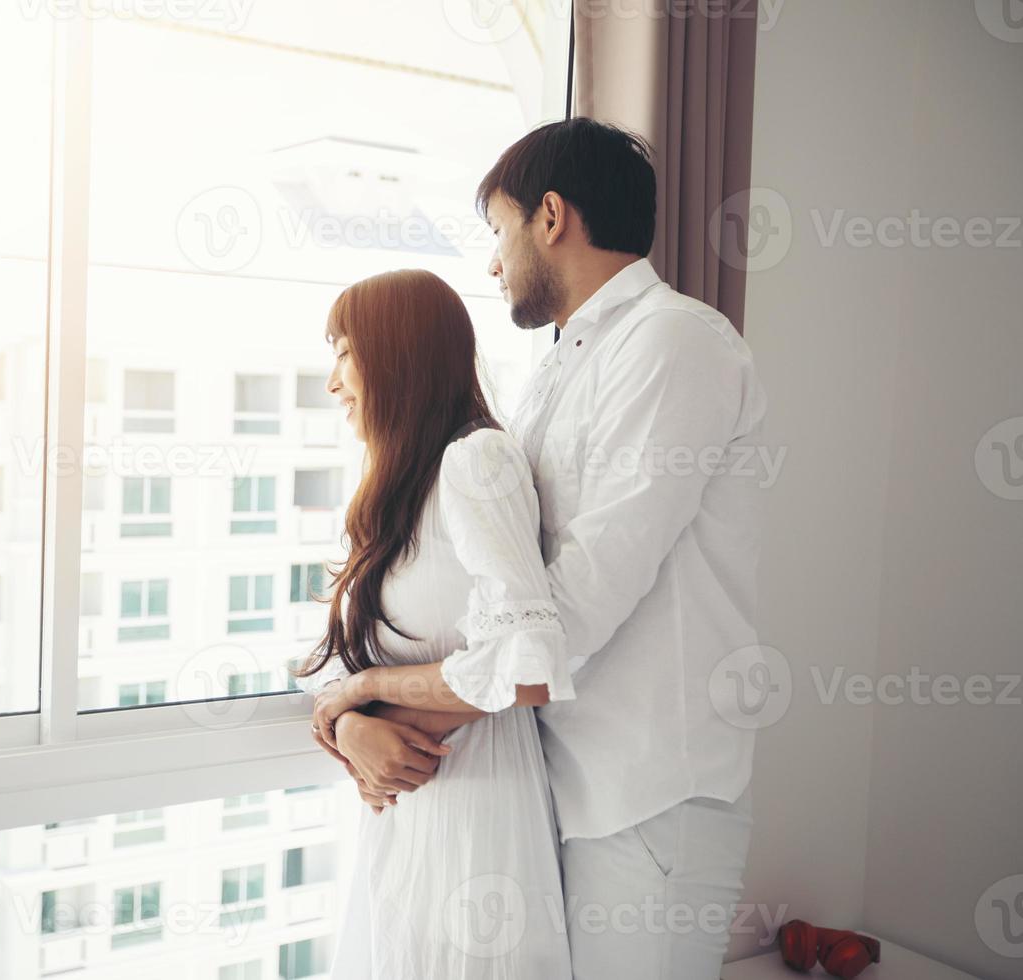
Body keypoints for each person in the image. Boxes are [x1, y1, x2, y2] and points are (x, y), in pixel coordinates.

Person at [313, 117, 769, 979]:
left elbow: (578, 599)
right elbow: (493, 609)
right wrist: (358, 716)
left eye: (498, 230)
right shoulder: (558, 374)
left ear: (550, 216)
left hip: (646, 791)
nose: (491, 263)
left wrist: (372, 702)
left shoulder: (675, 342)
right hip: (557, 781)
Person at [293, 267, 576, 979]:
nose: (333, 382)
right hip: (403, 803)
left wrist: (366, 697)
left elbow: (527, 667)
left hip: (477, 806)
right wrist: (350, 725)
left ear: (397, 353)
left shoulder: (476, 462)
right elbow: (333, 666)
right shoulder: (393, 492)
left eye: (344, 351)